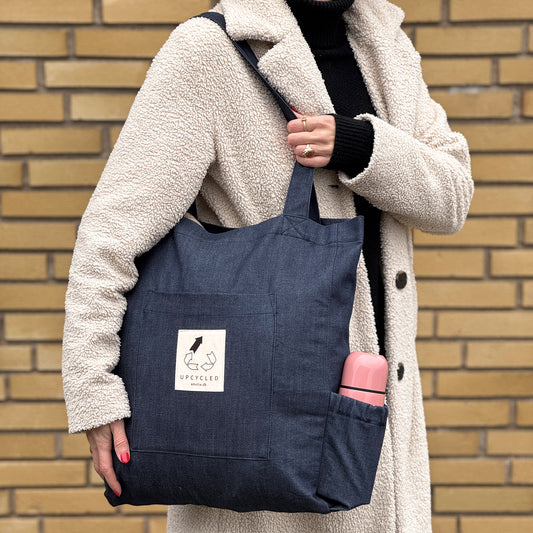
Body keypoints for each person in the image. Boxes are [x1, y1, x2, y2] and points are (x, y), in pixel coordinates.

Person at [61, 0, 473, 531]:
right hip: (255, 436)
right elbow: (109, 239)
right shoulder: (206, 52)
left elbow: (452, 197)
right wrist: (95, 392)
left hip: (384, 436)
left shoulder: (385, 45)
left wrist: (363, 145)